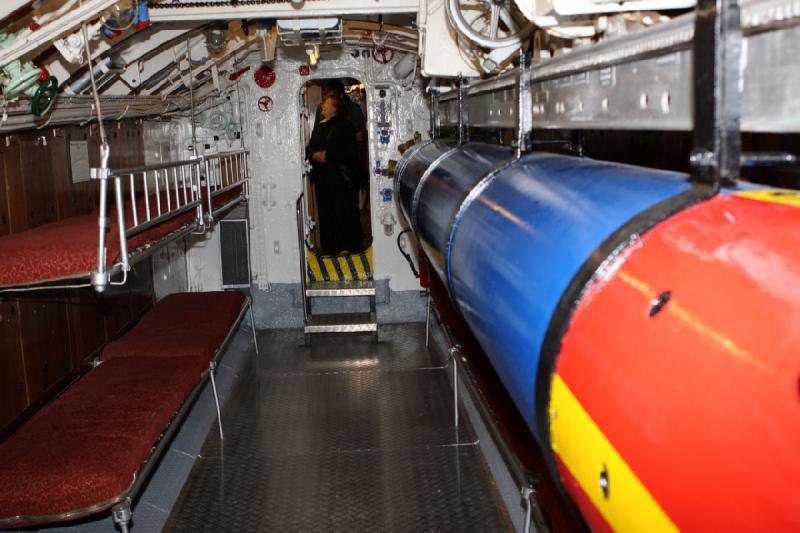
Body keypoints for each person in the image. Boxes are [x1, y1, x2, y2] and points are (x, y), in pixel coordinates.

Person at [306, 95, 364, 255]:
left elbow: (347, 150)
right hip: (323, 178)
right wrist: (313, 154)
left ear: (335, 108)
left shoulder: (344, 125)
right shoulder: (319, 126)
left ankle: (349, 247)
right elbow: (311, 147)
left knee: (344, 212)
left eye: (327, 103)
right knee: (326, 214)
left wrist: (327, 154)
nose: (323, 105)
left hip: (340, 178)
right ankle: (330, 248)